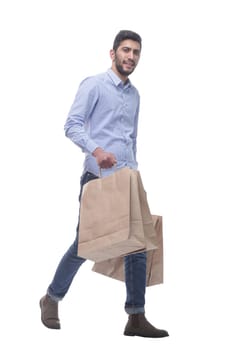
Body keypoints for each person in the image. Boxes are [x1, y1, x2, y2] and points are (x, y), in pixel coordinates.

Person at [40, 30, 169, 338]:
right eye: (126, 50)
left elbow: (132, 140)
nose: (131, 57)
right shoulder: (94, 85)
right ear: (112, 54)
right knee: (85, 246)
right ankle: (51, 298)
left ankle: (135, 316)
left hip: (128, 179)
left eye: (136, 52)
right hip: (98, 179)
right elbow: (71, 125)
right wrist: (97, 151)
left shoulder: (135, 95)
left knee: (138, 245)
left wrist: (136, 176)